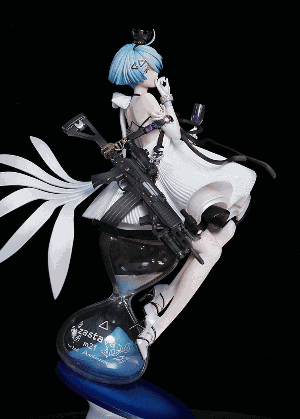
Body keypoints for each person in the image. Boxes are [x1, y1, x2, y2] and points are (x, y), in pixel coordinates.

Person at [81, 31, 257, 359]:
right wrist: (167, 98)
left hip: (161, 166)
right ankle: (155, 328)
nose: (154, 73)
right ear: (138, 71)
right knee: (212, 248)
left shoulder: (129, 104)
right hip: (166, 175)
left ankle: (162, 297)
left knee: (227, 231)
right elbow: (174, 133)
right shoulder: (146, 100)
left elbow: (159, 135)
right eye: (150, 68)